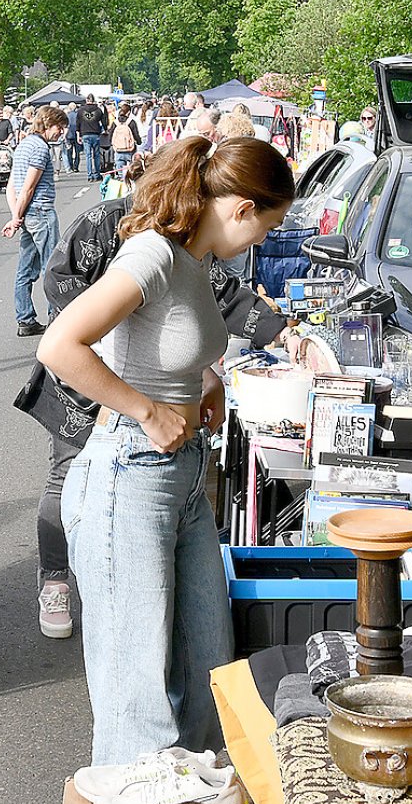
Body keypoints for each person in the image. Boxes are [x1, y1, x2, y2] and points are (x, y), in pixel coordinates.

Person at [39, 135, 293, 764]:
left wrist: (203, 383)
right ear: (240, 208)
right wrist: (147, 409)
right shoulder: (152, 253)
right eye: (267, 226)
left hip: (181, 478)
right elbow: (61, 345)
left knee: (207, 667)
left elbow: (163, 344)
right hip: (131, 475)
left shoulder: (194, 260)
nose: (262, 241)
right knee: (139, 692)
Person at [4, 105, 65, 337]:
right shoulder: (40, 148)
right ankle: (55, 318)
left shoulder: (23, 145)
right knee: (53, 266)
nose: (61, 132)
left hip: (27, 213)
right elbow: (28, 187)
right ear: (48, 124)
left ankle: (25, 318)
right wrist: (17, 217)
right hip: (40, 211)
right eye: (59, 127)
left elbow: (12, 185)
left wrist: (16, 216)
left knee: (25, 268)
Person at [78, 94, 106, 179]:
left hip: (85, 133)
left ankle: (89, 175)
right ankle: (97, 174)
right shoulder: (98, 110)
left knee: (88, 156)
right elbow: (104, 121)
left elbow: (77, 123)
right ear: (93, 101)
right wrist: (105, 130)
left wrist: (78, 134)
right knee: (96, 155)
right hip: (95, 133)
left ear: (87, 100)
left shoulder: (80, 110)